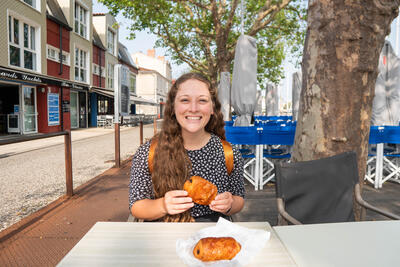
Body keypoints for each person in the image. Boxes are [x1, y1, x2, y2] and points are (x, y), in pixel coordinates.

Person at [129, 72, 245, 222]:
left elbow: (239, 199)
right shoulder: (148, 152)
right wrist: (163, 205)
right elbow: (136, 206)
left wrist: (230, 204)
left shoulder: (229, 152)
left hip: (212, 238)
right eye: (185, 100)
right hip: (164, 236)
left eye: (202, 100)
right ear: (173, 107)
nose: (194, 108)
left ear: (212, 109)